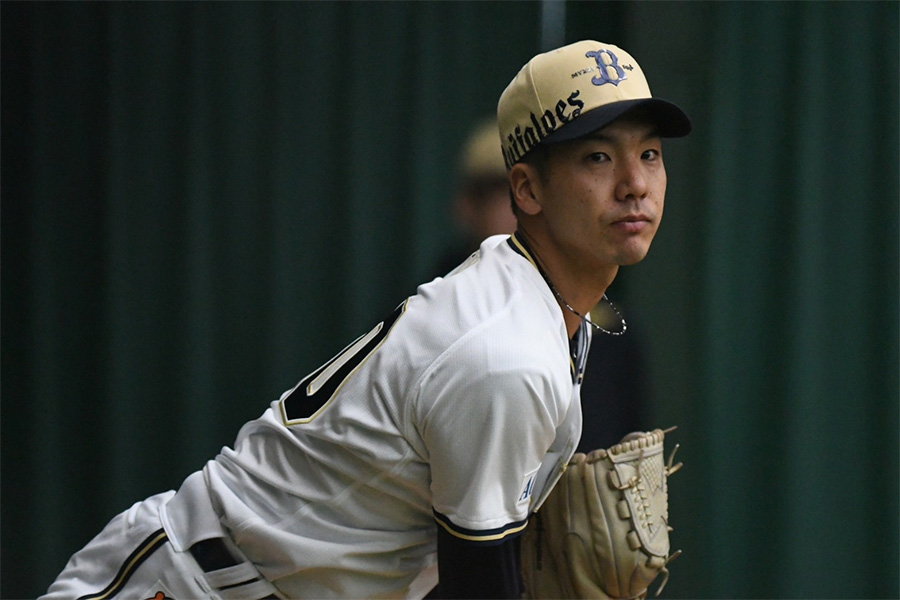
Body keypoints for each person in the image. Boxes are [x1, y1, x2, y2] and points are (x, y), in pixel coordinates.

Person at [43, 40, 690, 600]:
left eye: (650, 154)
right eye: (597, 157)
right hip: (193, 583)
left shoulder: (524, 288)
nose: (635, 182)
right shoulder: (506, 354)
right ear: (526, 189)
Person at [438, 118, 650, 452]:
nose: (524, 207)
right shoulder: (433, 313)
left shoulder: (607, 322)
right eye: (507, 194)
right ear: (468, 206)